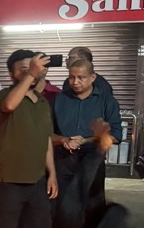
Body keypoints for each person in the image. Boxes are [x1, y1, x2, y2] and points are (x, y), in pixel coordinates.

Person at [0, 51, 59, 228]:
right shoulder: (4, 96)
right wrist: (30, 73)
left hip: (37, 180)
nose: (29, 70)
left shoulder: (42, 103)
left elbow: (46, 142)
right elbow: (9, 105)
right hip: (8, 178)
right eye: (22, 68)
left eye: (32, 67)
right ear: (11, 74)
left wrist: (51, 173)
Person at [50, 59, 122, 204]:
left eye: (81, 77)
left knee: (91, 205)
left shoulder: (106, 101)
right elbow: (47, 132)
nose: (75, 82)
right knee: (62, 204)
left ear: (92, 77)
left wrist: (87, 140)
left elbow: (116, 135)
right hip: (63, 159)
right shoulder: (59, 99)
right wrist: (65, 140)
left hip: (92, 159)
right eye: (71, 77)